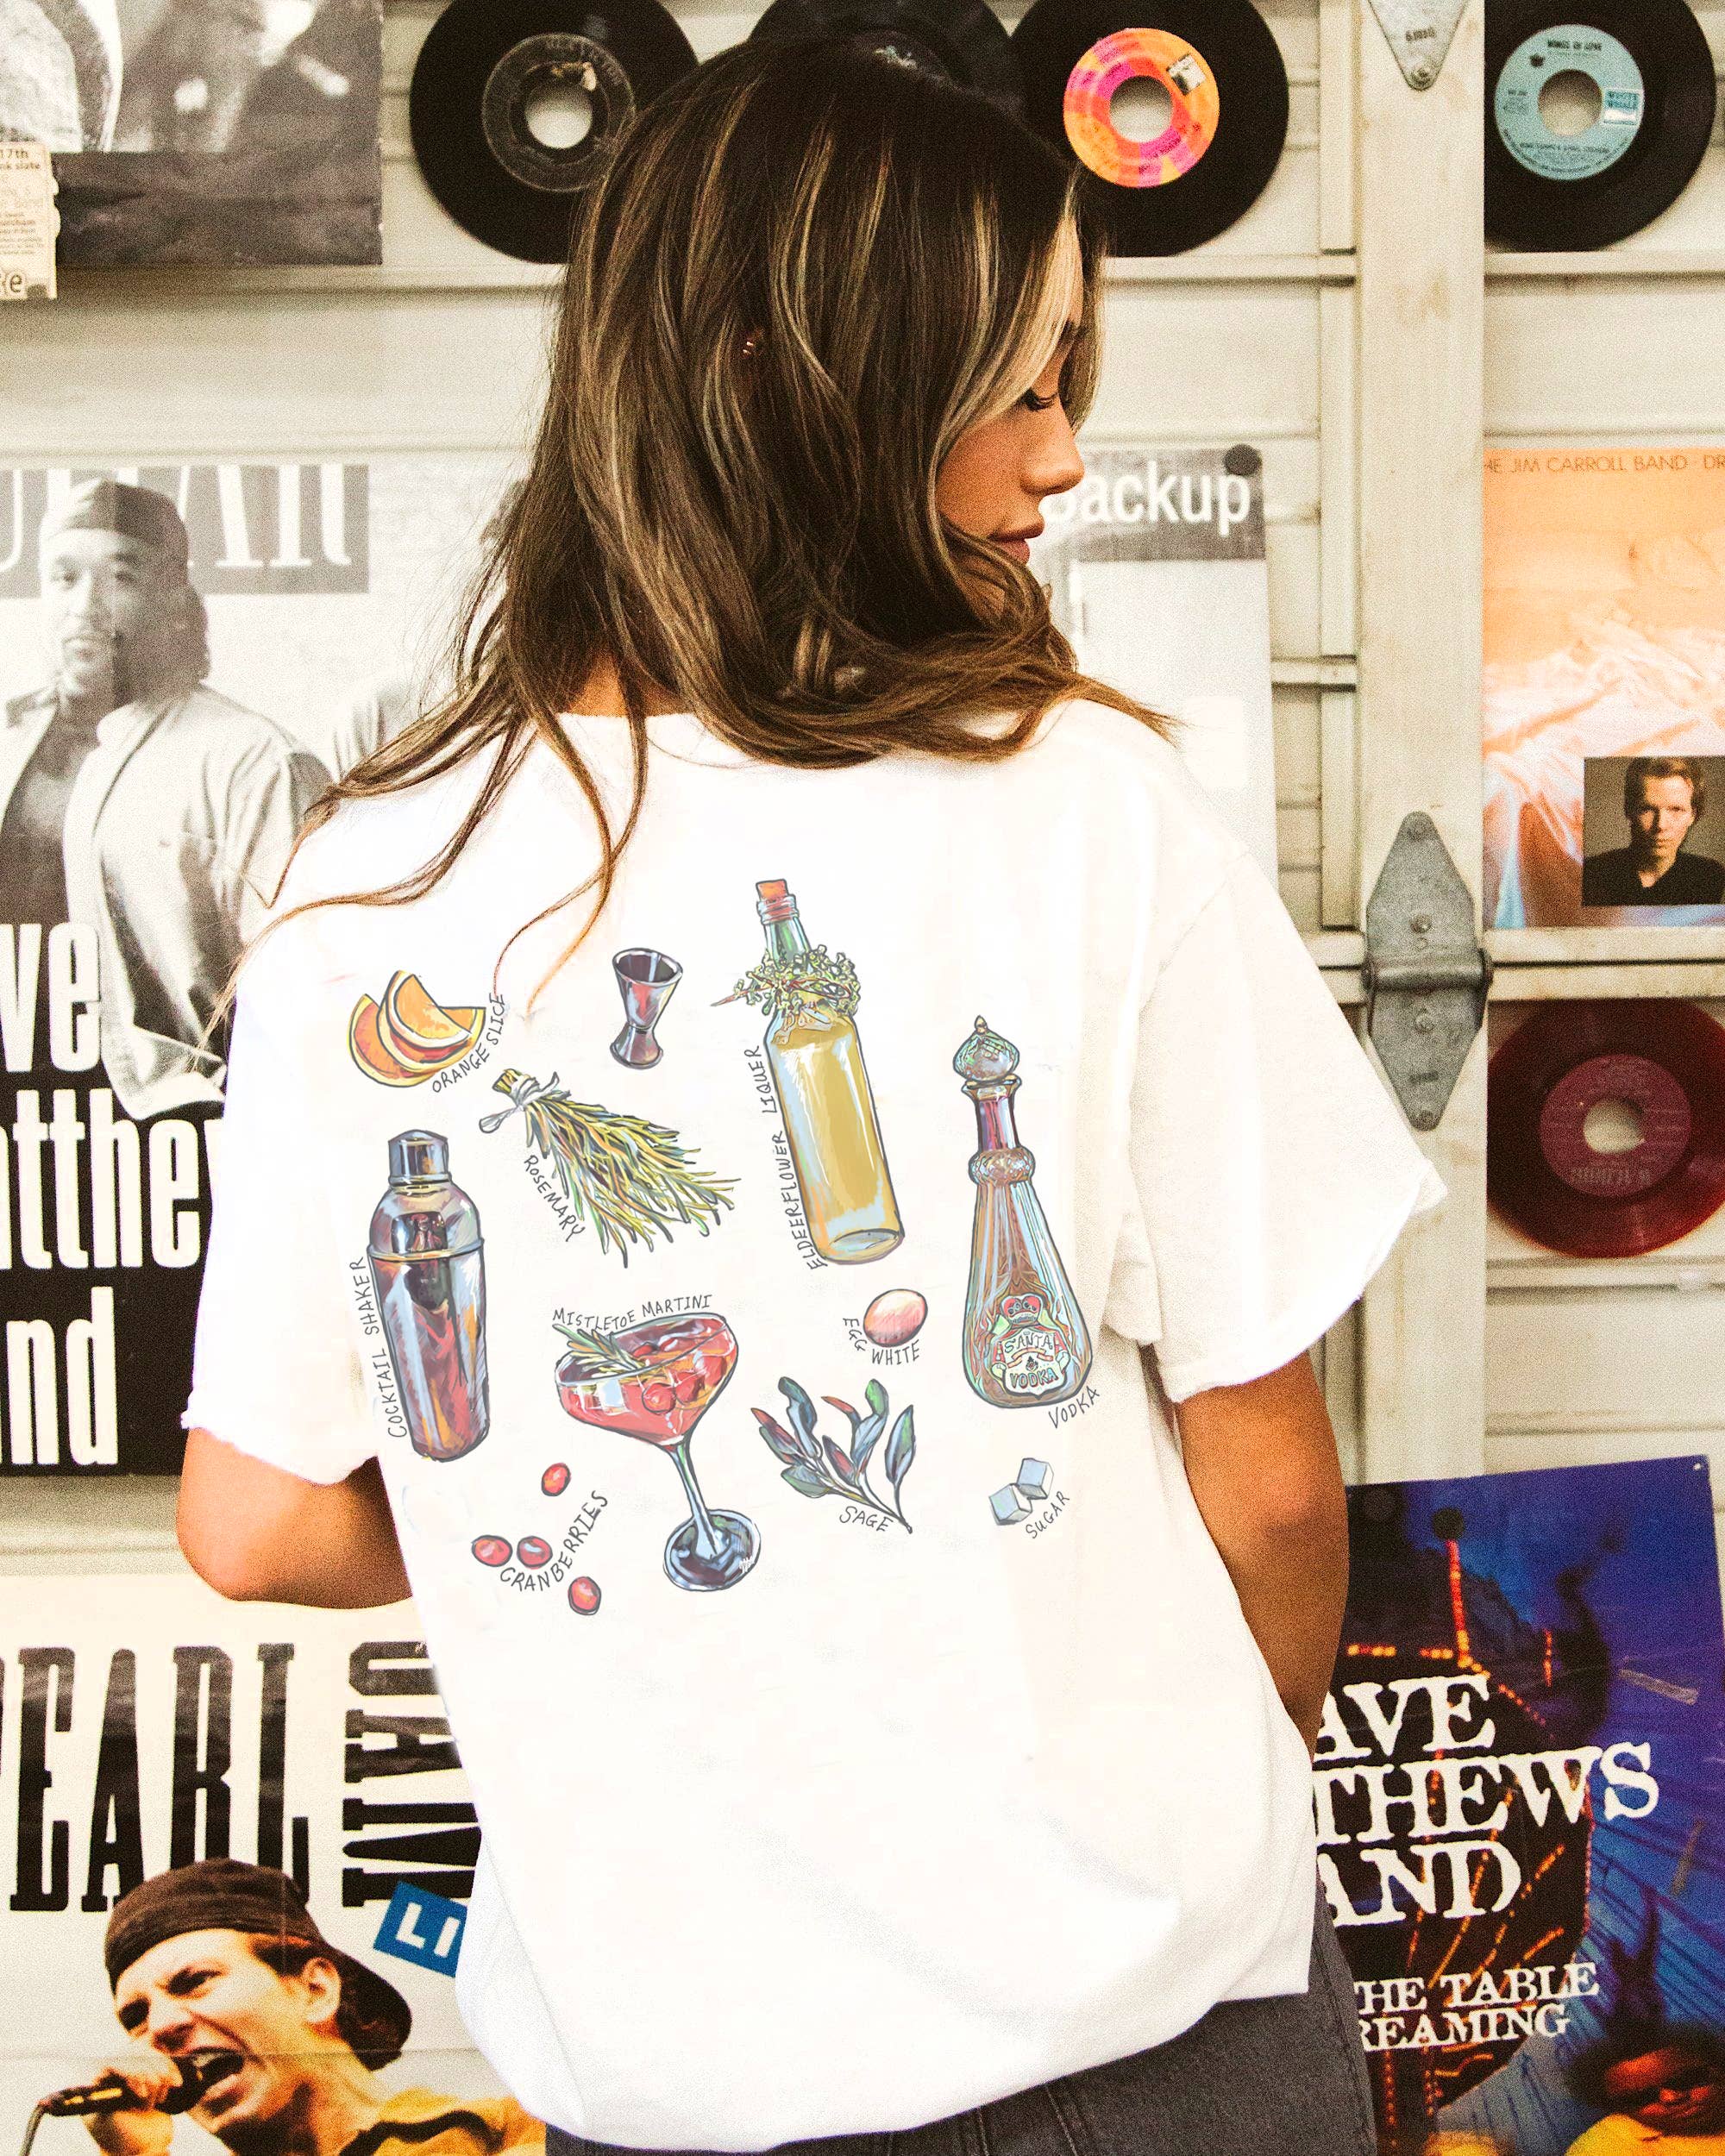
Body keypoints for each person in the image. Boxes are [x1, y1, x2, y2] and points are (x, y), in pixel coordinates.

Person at [175, 41, 1444, 2156]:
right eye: (1012, 388)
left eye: (1067, 378)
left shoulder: (364, 879)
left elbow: (257, 1517)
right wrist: (1223, 1775)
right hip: (1129, 2047)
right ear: (796, 384)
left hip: (665, 2077)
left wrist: (581, 1532)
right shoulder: (1075, 805)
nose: (1060, 456)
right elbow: (1275, 1489)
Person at [0, 479, 329, 1117]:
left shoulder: (252, 762)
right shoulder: (9, 741)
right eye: (64, 578)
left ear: (174, 597)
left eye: (121, 578)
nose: (84, 606)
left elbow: (311, 1001)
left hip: (173, 1134)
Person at [85, 1858, 542, 2156]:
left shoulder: (509, 2134)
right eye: (136, 2018)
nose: (161, 2026)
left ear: (315, 1988)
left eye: (195, 1981)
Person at [1581, 756, 1725, 909]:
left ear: (1693, 815)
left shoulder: (1710, 877)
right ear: (1629, 811)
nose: (1661, 825)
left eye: (1676, 809)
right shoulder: (1591, 874)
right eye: (1647, 809)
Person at [1564, 2024, 1725, 2151]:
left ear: (1718, 2069)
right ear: (1621, 2110)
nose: (1670, 2098)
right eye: (1641, 2098)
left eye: (1684, 2079)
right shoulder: (1601, 2148)